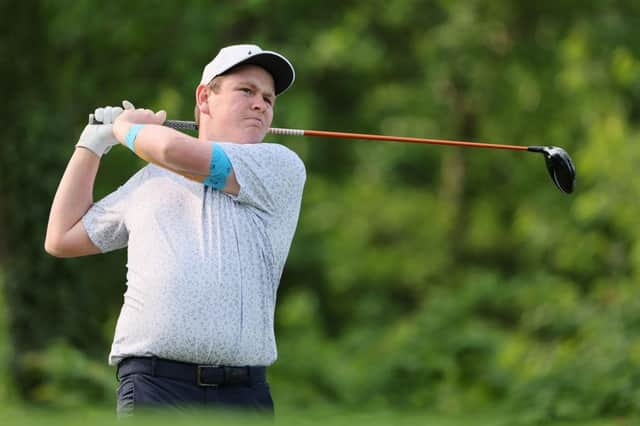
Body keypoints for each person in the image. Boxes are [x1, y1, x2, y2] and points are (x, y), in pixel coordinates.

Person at [44, 44, 306, 416]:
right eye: (246, 91)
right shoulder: (149, 181)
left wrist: (124, 128)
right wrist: (92, 144)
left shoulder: (280, 166)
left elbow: (171, 150)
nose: (261, 104)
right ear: (205, 98)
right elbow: (62, 237)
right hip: (154, 386)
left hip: (243, 396)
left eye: (268, 98)